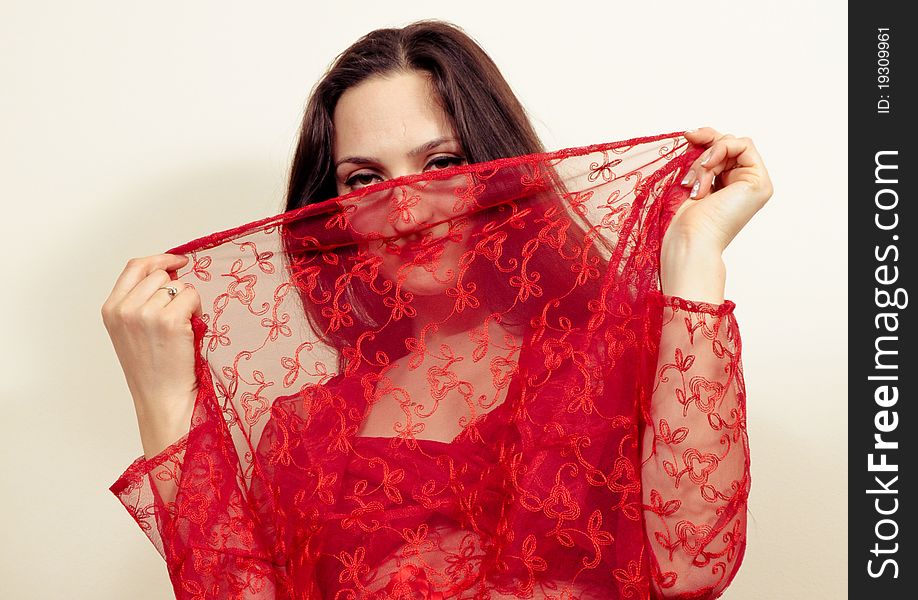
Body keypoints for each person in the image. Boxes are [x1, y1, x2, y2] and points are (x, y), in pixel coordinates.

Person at [102, 19, 772, 599]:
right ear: (333, 213)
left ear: (500, 171)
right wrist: (161, 399)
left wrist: (693, 252)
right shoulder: (310, 432)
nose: (406, 210)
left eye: (443, 163)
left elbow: (691, 570)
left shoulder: (616, 365)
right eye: (364, 179)